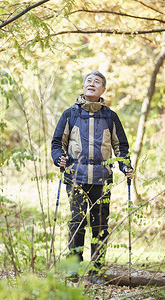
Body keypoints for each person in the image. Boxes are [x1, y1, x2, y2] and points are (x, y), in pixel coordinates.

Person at [51, 70, 133, 284]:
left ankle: (96, 271)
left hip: (101, 179)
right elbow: (57, 143)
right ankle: (73, 269)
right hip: (75, 177)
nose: (92, 84)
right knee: (76, 222)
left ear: (103, 89)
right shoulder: (70, 114)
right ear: (83, 85)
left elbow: (120, 146)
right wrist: (59, 157)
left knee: (99, 225)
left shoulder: (110, 116)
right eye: (89, 80)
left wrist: (126, 167)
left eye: (97, 82)